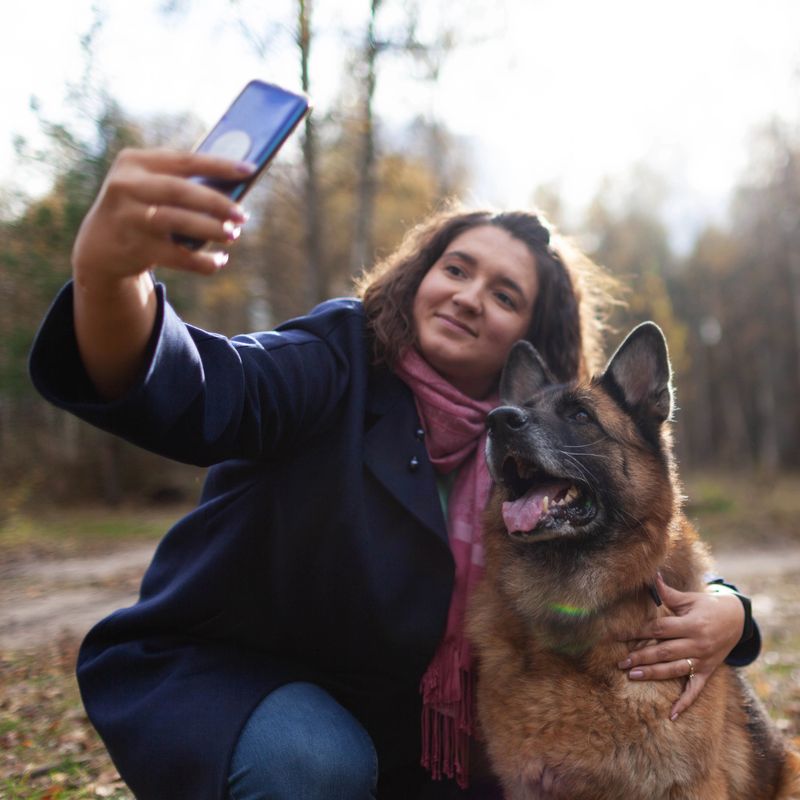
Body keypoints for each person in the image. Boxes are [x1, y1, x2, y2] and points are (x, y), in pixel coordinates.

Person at [29, 148, 759, 800]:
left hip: (401, 722)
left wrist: (732, 609)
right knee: (315, 763)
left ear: (529, 344)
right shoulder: (334, 359)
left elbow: (645, 542)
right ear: (419, 276)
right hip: (248, 681)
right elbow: (203, 391)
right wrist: (112, 275)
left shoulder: (544, 462)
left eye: (505, 295)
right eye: (456, 269)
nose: (470, 296)